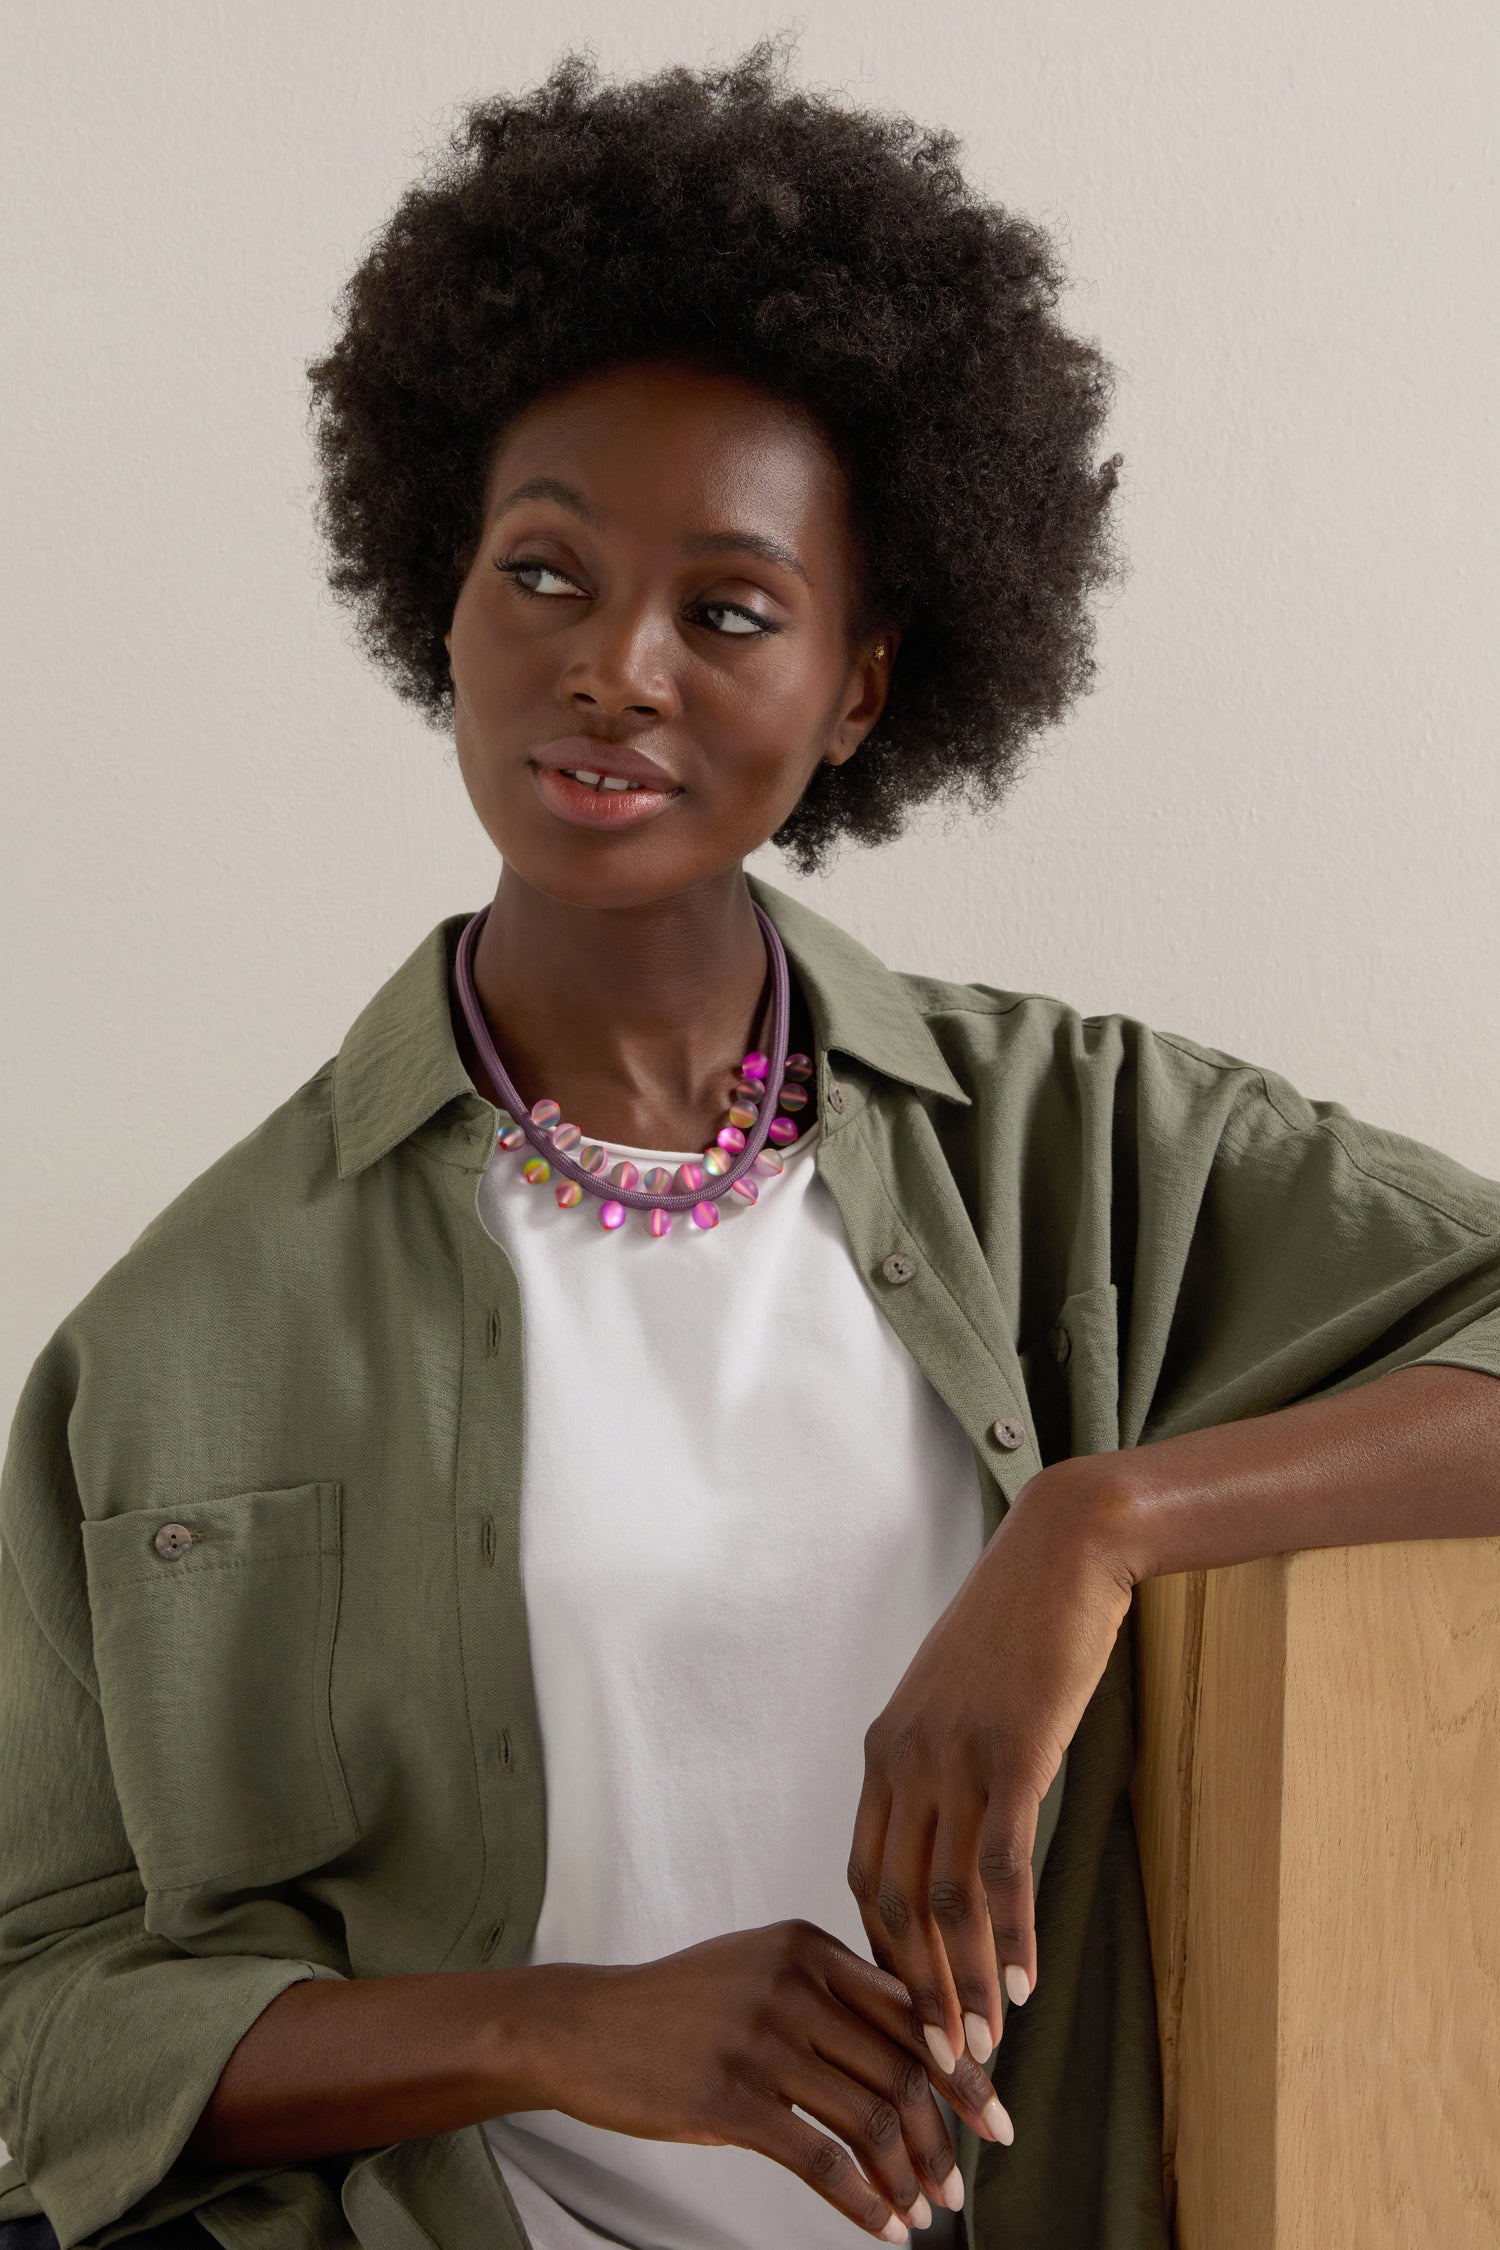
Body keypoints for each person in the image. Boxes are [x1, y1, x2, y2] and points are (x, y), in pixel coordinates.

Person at [2, 41, 1498, 2250]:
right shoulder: (192, 1326)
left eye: (727, 610)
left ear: (863, 688)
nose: (613, 670)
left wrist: (1096, 1522)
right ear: (442, 594)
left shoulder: (1074, 1152)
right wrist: (553, 2026)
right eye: (542, 574)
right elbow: (40, 2015)